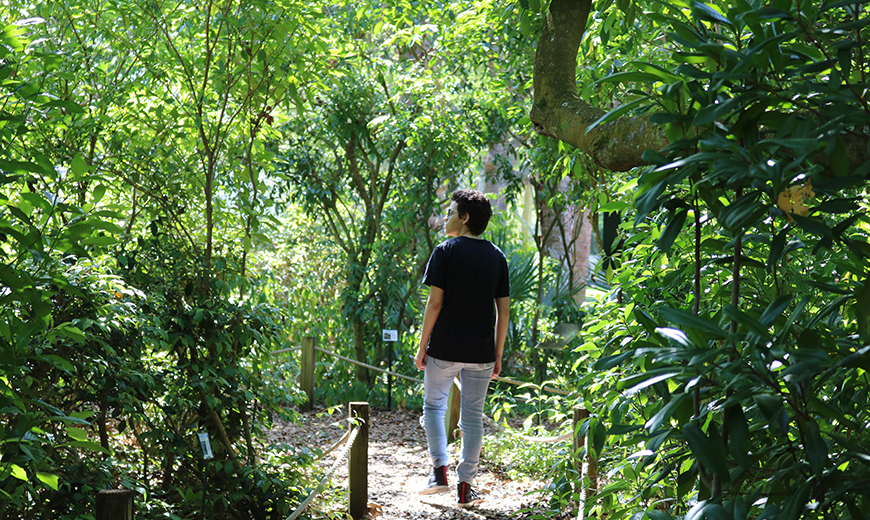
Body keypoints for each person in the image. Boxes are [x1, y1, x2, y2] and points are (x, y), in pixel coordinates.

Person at [414, 188, 510, 508]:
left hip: (444, 348)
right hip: (481, 354)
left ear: (465, 218)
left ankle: (439, 473)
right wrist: (497, 354)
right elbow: (504, 312)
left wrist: (422, 346)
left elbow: (434, 303)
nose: (445, 218)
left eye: (450, 212)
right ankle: (465, 488)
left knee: (433, 408)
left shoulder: (445, 251)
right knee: (472, 417)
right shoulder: (497, 256)